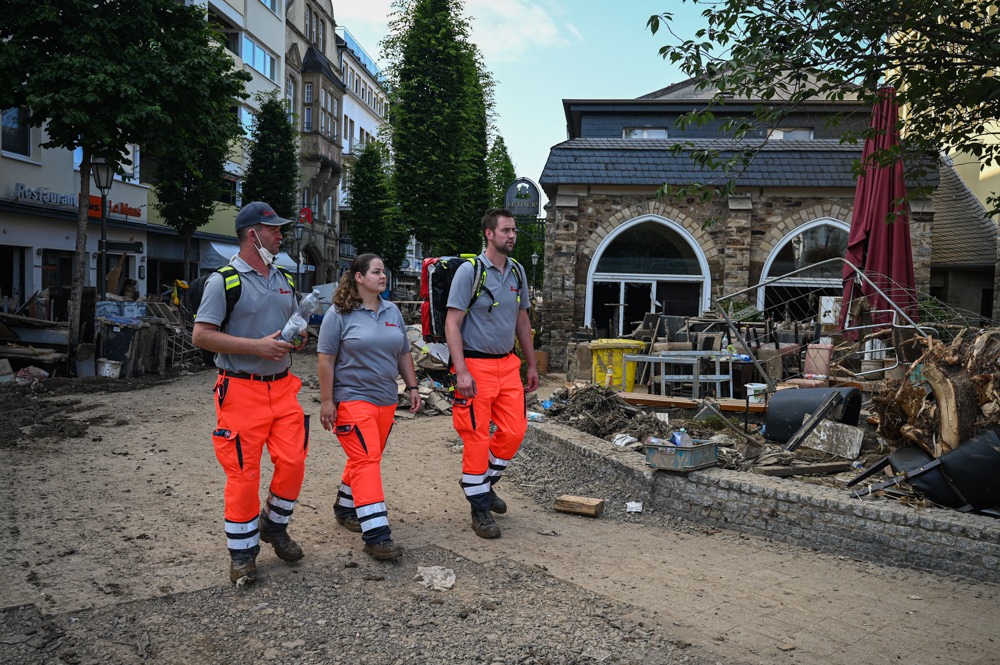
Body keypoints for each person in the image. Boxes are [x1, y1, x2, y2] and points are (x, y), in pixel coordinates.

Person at [192, 201, 309, 585]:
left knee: (293, 463)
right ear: (252, 234)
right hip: (240, 390)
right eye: (274, 230)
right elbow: (201, 336)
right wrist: (255, 347)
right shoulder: (224, 280)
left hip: (283, 388)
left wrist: (300, 336)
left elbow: (290, 323)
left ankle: (274, 527)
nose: (280, 235)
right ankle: (242, 555)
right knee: (243, 474)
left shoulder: (284, 279)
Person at [317, 253, 422, 561]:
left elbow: (403, 352)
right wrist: (327, 401)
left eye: (384, 271)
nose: (383, 276)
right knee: (366, 461)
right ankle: (376, 534)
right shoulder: (338, 314)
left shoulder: (392, 311)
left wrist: (412, 387)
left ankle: (345, 506)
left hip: (386, 400)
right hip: (352, 398)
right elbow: (326, 359)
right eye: (376, 271)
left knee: (367, 456)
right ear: (359, 277)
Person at [445, 208, 538, 539]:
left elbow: (522, 321)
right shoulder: (470, 272)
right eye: (506, 230)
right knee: (475, 437)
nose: (512, 235)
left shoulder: (517, 272)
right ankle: (479, 509)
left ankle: (480, 485)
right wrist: (462, 372)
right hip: (476, 366)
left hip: (508, 364)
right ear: (489, 234)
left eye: (514, 230)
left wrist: (531, 364)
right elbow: (452, 323)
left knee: (514, 431)